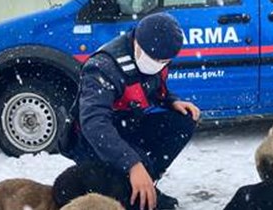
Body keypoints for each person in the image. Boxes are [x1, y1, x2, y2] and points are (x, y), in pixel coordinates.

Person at [55, 12, 200, 210]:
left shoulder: (157, 59)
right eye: (154, 58)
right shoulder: (103, 68)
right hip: (91, 141)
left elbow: (153, 87)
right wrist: (132, 164)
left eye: (164, 61)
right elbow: (94, 124)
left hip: (126, 124)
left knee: (183, 120)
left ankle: (144, 182)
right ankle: (132, 188)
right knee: (132, 169)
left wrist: (171, 101)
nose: (159, 64)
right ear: (138, 44)